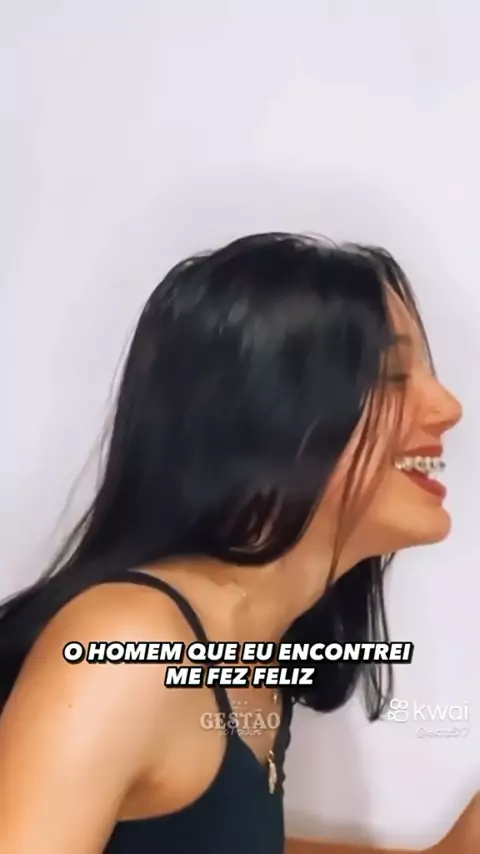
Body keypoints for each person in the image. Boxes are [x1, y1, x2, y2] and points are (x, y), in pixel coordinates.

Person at [0, 232, 471, 854]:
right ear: (268, 415)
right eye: (391, 374)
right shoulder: (130, 648)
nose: (448, 407)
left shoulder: (247, 650)